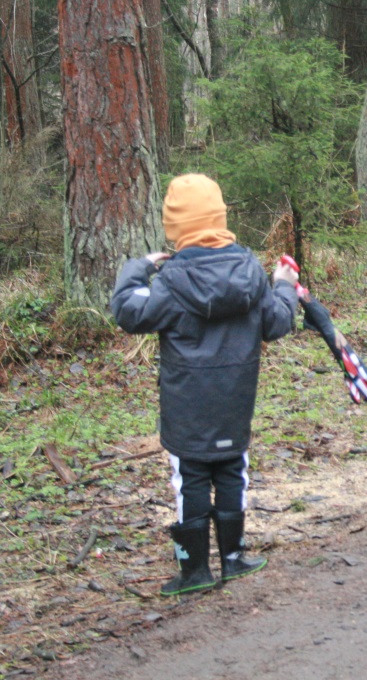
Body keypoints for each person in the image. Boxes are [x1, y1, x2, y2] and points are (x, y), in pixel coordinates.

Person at [111, 174, 298, 595]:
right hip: (235, 405)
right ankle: (234, 558)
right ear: (220, 218)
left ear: (175, 229)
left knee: (190, 480)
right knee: (233, 471)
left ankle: (194, 571)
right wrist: (284, 286)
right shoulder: (251, 272)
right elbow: (277, 322)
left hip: (186, 412)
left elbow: (126, 311)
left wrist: (140, 267)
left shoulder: (170, 284)